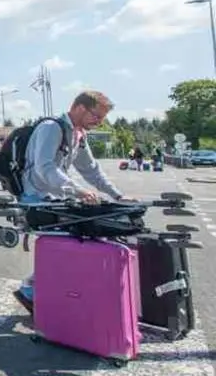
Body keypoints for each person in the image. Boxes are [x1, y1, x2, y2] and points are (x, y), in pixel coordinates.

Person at [13, 90, 133, 313]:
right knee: (68, 243)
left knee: (79, 240)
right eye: (96, 116)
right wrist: (77, 191)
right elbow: (44, 168)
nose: (99, 122)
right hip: (35, 197)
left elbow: (91, 170)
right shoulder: (51, 128)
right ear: (79, 107)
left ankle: (38, 289)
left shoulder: (78, 135)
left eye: (102, 118)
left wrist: (117, 195)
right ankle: (31, 289)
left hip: (55, 197)